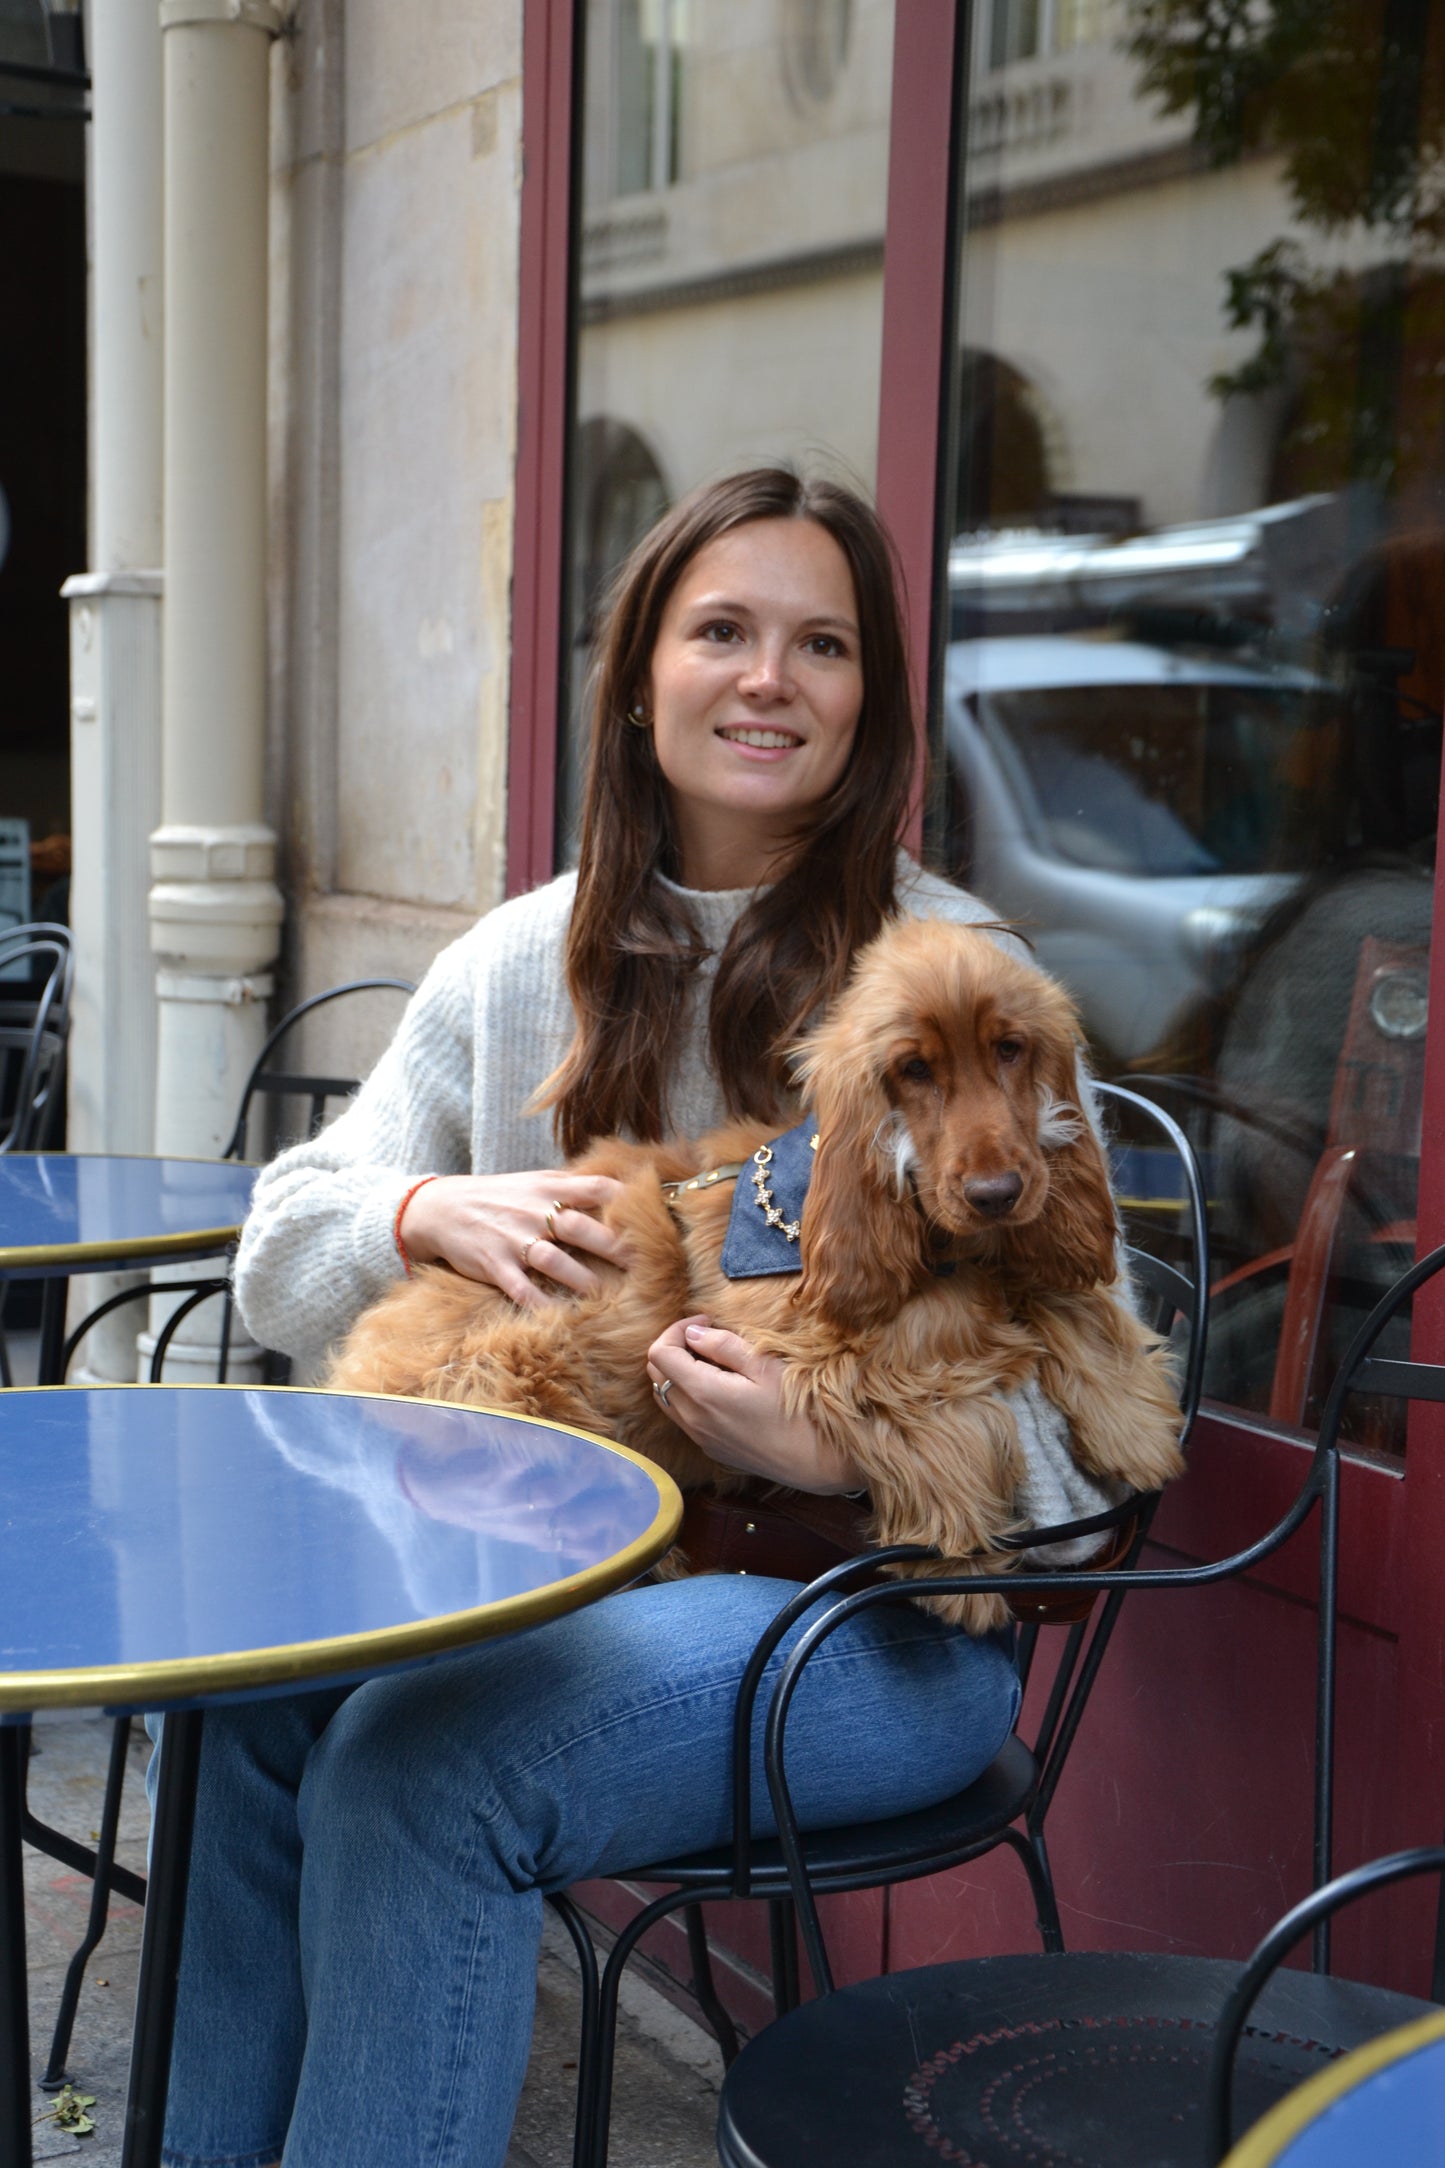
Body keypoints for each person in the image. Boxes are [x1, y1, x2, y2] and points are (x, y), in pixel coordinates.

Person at [160, 468, 1116, 2168]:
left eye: (821, 644)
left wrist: (831, 1439)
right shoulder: (522, 959)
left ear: (870, 704)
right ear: (638, 677)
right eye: (722, 631)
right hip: (561, 1570)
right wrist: (414, 1207)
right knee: (245, 1704)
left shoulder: (964, 978)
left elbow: (1098, 1447)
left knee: (413, 1770)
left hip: (871, 1617)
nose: (770, 678)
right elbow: (282, 1250)